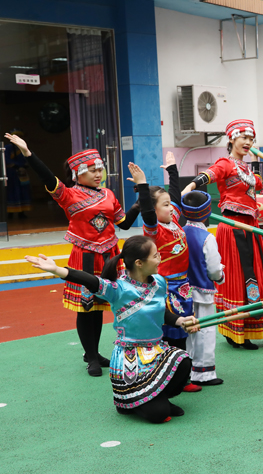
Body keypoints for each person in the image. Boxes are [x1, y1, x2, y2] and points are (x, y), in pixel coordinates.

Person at [6, 133, 139, 377]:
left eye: (100, 169)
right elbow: (47, 177)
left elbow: (125, 223)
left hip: (109, 256)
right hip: (85, 256)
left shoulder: (108, 194)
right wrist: (28, 153)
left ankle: (95, 353)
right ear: (78, 173)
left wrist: (140, 200)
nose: (98, 174)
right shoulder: (67, 195)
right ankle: (90, 357)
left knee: (99, 306)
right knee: (85, 307)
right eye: (91, 170)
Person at [26, 235, 195, 424]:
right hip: (130, 357)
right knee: (158, 415)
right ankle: (133, 401)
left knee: (184, 362)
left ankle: (152, 397)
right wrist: (57, 270)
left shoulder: (159, 282)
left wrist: (180, 320)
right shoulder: (118, 289)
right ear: (139, 263)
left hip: (156, 350)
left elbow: (160, 312)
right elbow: (91, 281)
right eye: (155, 256)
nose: (160, 259)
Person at [182, 119, 263, 350]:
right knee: (238, 277)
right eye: (244, 138)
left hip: (251, 227)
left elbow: (254, 186)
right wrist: (192, 185)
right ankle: (234, 329)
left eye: (251, 139)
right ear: (232, 139)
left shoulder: (248, 168)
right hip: (233, 227)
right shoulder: (226, 163)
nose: (248, 142)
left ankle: (246, 327)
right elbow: (211, 173)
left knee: (254, 278)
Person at [137, 155, 194, 355]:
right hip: (167, 287)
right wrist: (143, 186)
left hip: (183, 285)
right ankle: (172, 374)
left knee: (184, 331)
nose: (171, 207)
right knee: (171, 332)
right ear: (154, 210)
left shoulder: (174, 220)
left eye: (170, 204)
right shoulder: (154, 230)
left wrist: (172, 170)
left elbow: (176, 197)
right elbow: (147, 213)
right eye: (165, 205)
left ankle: (183, 371)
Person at [181, 191, 225, 387]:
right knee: (205, 330)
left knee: (187, 331)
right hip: (202, 290)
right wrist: (220, 277)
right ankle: (203, 373)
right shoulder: (207, 237)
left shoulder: (179, 232)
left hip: (181, 291)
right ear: (207, 212)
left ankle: (186, 369)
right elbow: (214, 268)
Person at [4, 129, 31, 218]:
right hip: (12, 173)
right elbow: (7, 159)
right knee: (13, 191)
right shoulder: (8, 148)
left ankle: (22, 212)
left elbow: (28, 158)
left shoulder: (23, 147)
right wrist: (17, 166)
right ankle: (10, 213)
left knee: (23, 191)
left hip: (22, 173)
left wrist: (23, 166)